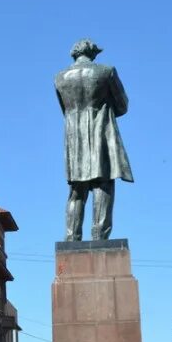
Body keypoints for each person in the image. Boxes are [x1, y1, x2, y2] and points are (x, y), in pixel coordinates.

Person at [55, 38, 133, 241]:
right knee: (103, 184)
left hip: (74, 139)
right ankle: (100, 236)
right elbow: (123, 105)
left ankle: (71, 237)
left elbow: (65, 109)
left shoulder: (60, 77)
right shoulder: (106, 72)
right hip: (100, 134)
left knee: (76, 191)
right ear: (93, 53)